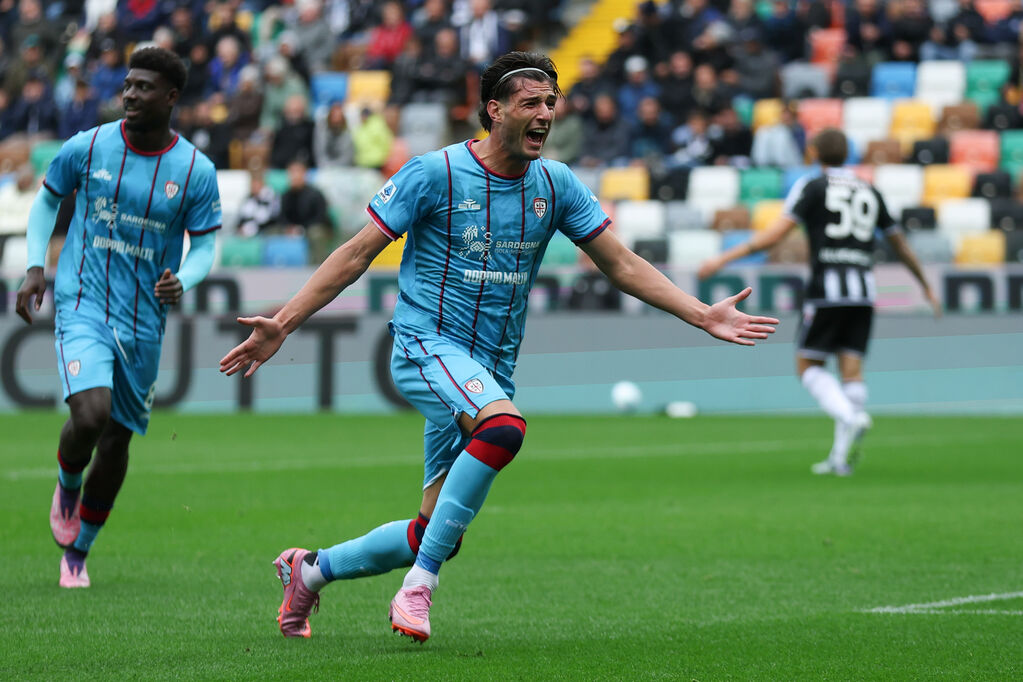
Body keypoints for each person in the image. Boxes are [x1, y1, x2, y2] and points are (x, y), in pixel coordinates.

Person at [219, 51, 778, 643]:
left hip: (487, 369)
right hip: (424, 347)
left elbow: (620, 263)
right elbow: (356, 254)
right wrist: (284, 320)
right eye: (531, 102)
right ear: (495, 110)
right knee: (504, 429)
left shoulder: (556, 184)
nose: (545, 114)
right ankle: (417, 589)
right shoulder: (433, 173)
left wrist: (699, 314)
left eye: (551, 103)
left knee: (435, 530)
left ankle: (309, 570)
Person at [14, 47, 222, 588]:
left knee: (117, 440)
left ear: (171, 97)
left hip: (144, 321)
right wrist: (36, 267)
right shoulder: (88, 146)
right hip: (82, 300)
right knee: (90, 416)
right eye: (127, 85)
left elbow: (203, 247)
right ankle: (66, 482)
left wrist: (187, 278)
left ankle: (79, 551)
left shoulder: (196, 172)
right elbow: (45, 201)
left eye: (143, 87)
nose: (129, 94)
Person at [698, 128, 940, 476]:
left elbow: (776, 234)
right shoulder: (870, 190)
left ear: (813, 153)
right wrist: (924, 284)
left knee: (808, 367)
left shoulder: (813, 185)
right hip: (863, 292)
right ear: (847, 154)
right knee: (851, 370)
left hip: (827, 289)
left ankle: (850, 417)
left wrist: (724, 258)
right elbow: (899, 243)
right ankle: (840, 459)